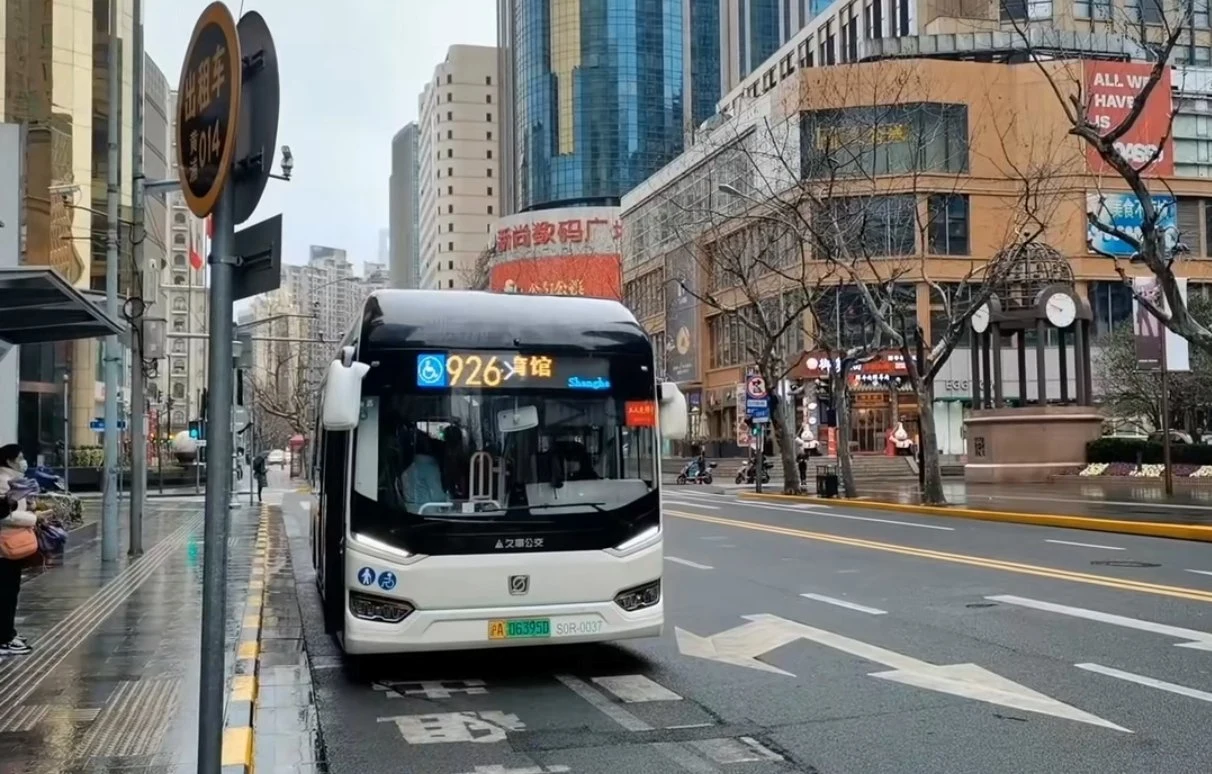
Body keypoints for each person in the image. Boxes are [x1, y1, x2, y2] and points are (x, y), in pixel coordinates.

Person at [0, 444, 35, 656]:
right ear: (9, 460)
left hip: (9, 545)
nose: (24, 461)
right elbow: (5, 514)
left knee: (10, 592)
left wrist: (27, 502)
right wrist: (34, 517)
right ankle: (4, 638)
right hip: (4, 546)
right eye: (20, 457)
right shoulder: (3, 481)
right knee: (5, 593)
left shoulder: (12, 480)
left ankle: (7, 633)